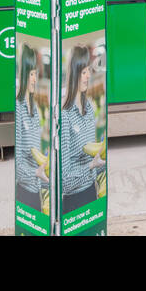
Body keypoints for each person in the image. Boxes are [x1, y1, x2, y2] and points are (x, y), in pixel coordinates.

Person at [59, 45, 105, 213]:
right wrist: (91, 166)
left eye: (88, 72)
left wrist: (100, 163)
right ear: (74, 73)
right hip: (74, 202)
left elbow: (93, 157)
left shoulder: (89, 108)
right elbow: (63, 180)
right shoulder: (64, 115)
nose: (88, 77)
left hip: (92, 193)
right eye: (83, 72)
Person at [14, 44, 46, 212]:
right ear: (24, 75)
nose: (34, 79)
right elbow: (18, 163)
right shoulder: (18, 107)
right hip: (25, 190)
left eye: (36, 74)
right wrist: (35, 174)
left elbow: (36, 152)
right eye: (31, 74)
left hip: (36, 190)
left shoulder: (33, 108)